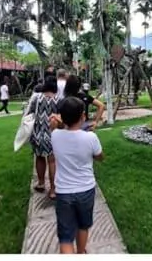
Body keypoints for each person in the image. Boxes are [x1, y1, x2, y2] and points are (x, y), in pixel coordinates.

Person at [50, 96, 104, 255]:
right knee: (83, 226)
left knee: (66, 238)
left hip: (63, 192)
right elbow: (100, 157)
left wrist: (57, 121)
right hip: (86, 190)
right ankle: (81, 252)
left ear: (62, 116)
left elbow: (56, 127)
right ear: (83, 116)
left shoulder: (55, 136)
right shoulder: (91, 137)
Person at [28, 78, 60, 197]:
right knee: (52, 161)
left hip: (37, 134)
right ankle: (53, 190)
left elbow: (28, 113)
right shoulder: (58, 100)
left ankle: (41, 183)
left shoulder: (36, 98)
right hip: (53, 134)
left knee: (39, 158)